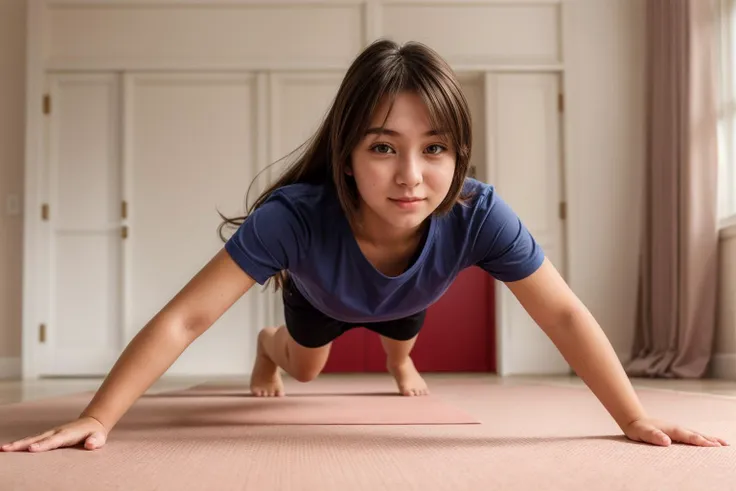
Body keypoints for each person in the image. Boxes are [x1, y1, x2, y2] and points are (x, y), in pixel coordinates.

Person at [1, 40, 728, 453]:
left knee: (401, 344)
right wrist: (99, 415)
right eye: (384, 147)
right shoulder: (295, 218)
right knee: (308, 369)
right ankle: (272, 342)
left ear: (459, 153)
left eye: (435, 148)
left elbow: (563, 313)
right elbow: (186, 317)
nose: (412, 176)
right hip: (320, 299)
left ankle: (397, 357)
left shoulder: (479, 212)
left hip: (404, 303)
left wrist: (631, 415)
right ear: (347, 153)